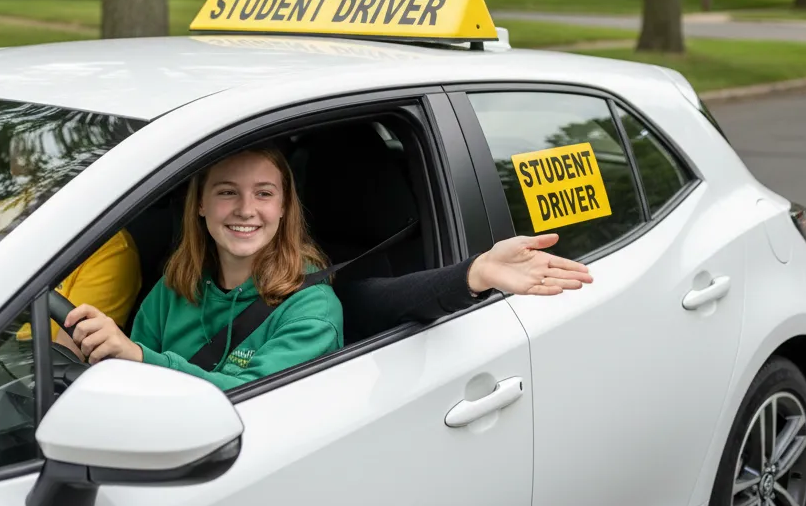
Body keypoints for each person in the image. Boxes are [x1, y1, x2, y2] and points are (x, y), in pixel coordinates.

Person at [63, 144, 594, 390]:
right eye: (227, 193)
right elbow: (127, 390)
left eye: (263, 194)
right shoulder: (171, 288)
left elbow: (248, 404)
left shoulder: (312, 307)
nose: (245, 209)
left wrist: (137, 356)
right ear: (199, 206)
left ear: (284, 208)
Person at [0, 128, 141, 341]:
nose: (24, 167)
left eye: (40, 157)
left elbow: (67, 360)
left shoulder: (106, 246)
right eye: (19, 152)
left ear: (74, 164)